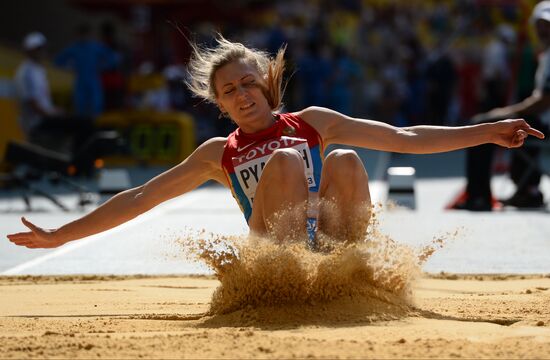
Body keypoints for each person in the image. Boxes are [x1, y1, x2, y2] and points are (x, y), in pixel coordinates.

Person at [6, 35, 544, 250]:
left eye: (247, 83)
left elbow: (402, 137)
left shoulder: (312, 120)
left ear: (265, 83)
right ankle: (291, 272)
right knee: (288, 160)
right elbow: (140, 197)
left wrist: (489, 132)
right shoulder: (217, 153)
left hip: (325, 239)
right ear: (220, 104)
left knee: (351, 157)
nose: (242, 96)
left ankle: (349, 271)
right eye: (228, 92)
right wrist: (61, 235)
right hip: (277, 255)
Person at [451, 2, 550, 211]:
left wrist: (503, 113)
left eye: (547, 25)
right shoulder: (545, 54)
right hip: (543, 121)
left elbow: (544, 101)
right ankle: (527, 190)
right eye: (540, 24)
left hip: (544, 124)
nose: (543, 30)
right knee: (492, 123)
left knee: (480, 124)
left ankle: (478, 196)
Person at [13, 32, 94, 155]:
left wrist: (55, 111)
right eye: (38, 49)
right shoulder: (26, 73)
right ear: (29, 50)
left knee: (83, 120)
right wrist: (52, 114)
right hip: (37, 122)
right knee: (84, 124)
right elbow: (32, 103)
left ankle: (75, 158)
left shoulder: (38, 70)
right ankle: (78, 162)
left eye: (42, 48)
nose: (41, 51)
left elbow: (42, 102)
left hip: (44, 117)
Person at [55, 23, 119, 118]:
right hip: (80, 81)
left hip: (93, 80)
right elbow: (58, 60)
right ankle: (83, 127)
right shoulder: (75, 48)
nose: (83, 37)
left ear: (88, 34)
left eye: (84, 34)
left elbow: (113, 58)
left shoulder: (95, 47)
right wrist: (69, 67)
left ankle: (96, 126)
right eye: (81, 35)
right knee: (80, 106)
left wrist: (103, 67)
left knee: (96, 105)